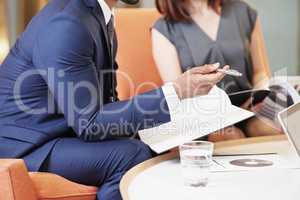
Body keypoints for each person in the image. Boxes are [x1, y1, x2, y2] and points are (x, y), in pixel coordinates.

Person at [0, 0, 228, 199]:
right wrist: (176, 91)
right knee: (129, 154)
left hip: (61, 131)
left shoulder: (99, 15)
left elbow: (106, 104)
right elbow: (89, 124)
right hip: (26, 147)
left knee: (157, 141)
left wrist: (162, 130)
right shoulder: (66, 24)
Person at [152, 0, 282, 141]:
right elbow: (179, 92)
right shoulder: (163, 29)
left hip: (247, 109)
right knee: (229, 136)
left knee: (267, 129)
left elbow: (259, 72)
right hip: (203, 117)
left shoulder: (243, 11)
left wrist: (259, 94)